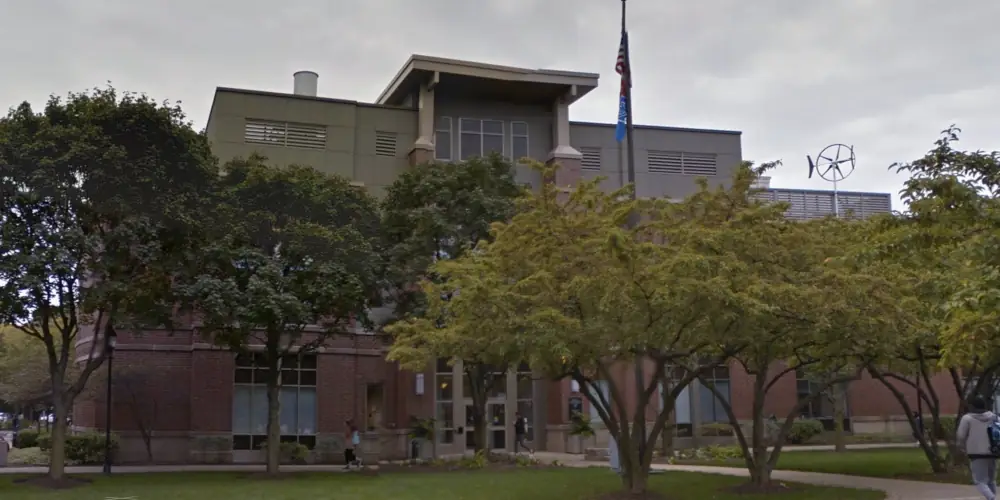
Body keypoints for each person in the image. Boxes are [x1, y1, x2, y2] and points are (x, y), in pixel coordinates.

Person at [957, 395, 998, 500]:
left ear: (972, 406)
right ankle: (992, 496)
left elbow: (961, 436)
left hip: (976, 453)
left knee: (980, 481)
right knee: (991, 480)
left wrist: (962, 447)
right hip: (993, 451)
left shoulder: (967, 418)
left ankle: (991, 498)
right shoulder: (994, 417)